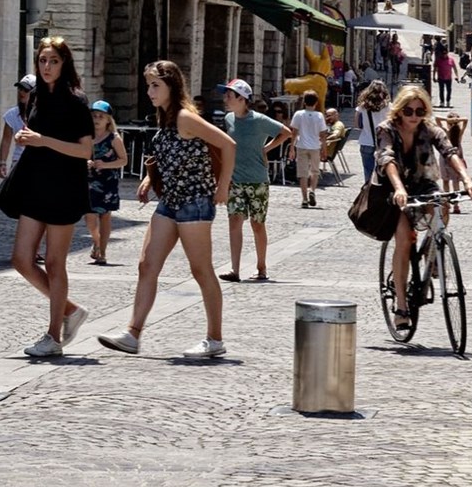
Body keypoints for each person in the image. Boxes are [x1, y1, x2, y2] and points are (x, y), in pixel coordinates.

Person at [98, 59, 236, 361]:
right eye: (148, 85)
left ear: (172, 87)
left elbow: (227, 145)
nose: (149, 91)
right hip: (169, 202)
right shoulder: (165, 118)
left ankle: (215, 338)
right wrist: (149, 178)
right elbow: (168, 154)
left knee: (201, 270)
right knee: (147, 265)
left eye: (155, 85)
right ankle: (132, 334)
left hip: (194, 201)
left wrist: (223, 186)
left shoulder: (186, 117)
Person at [0, 36, 95, 359]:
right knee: (22, 259)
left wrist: (43, 140)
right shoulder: (36, 96)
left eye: (53, 61)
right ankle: (70, 311)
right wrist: (27, 138)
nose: (46, 66)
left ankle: (53, 336)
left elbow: (85, 150)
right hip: (35, 184)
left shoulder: (76, 101)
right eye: (42, 61)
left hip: (64, 186)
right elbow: (34, 136)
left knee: (54, 262)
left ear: (64, 64)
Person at [375, 85, 472, 328]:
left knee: (442, 203)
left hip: (423, 182)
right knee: (403, 241)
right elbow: (386, 158)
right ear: (399, 110)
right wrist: (399, 188)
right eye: (409, 110)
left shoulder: (429, 129)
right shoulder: (387, 130)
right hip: (394, 188)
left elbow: (449, 151)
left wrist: (467, 179)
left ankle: (433, 251)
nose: (414, 115)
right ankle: (401, 306)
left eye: (420, 110)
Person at [218, 78, 291, 282]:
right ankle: (235, 269)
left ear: (242, 99)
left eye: (229, 95)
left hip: (258, 180)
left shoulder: (259, 119)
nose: (226, 98)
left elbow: (285, 133)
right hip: (235, 179)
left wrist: (265, 149)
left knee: (257, 224)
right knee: (234, 222)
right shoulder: (228, 119)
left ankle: (261, 267)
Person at [86, 101, 127, 263]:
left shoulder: (114, 138)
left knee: (105, 216)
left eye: (101, 117)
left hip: (107, 181)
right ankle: (96, 240)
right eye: (94, 116)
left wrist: (106, 164)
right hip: (88, 180)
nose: (97, 119)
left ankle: (102, 252)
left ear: (108, 120)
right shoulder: (86, 137)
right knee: (89, 216)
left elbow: (123, 160)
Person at [291, 90, 327, 208]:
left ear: (304, 102)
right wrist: (324, 148)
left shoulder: (298, 114)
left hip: (301, 146)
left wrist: (291, 148)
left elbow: (294, 132)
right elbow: (323, 134)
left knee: (303, 173)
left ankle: (304, 199)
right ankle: (312, 190)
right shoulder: (319, 116)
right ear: (316, 102)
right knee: (315, 171)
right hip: (315, 146)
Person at [0, 74, 36, 182]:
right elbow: (6, 140)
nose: (21, 92)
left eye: (26, 90)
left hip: (37, 162)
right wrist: (2, 163)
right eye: (20, 88)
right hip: (18, 161)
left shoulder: (42, 115)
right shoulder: (12, 114)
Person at [354, 80, 391, 182]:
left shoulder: (362, 106)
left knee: (368, 172)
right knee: (383, 172)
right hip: (383, 143)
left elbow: (357, 125)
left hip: (366, 141)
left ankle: (368, 193)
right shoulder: (388, 106)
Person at [438, 114, 469, 211]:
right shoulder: (459, 133)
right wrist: (457, 120)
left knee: (445, 180)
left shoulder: (446, 132)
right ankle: (456, 204)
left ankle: (447, 203)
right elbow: (466, 120)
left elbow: (437, 119)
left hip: (444, 158)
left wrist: (448, 119)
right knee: (455, 181)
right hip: (456, 157)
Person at [433, 41, 456, 108]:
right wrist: (434, 76)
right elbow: (435, 68)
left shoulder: (451, 60)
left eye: (445, 53)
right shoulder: (438, 60)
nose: (444, 55)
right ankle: (442, 102)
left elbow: (454, 68)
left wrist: (456, 76)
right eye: (443, 53)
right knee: (441, 90)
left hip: (448, 77)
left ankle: (448, 101)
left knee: (449, 90)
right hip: (441, 77)